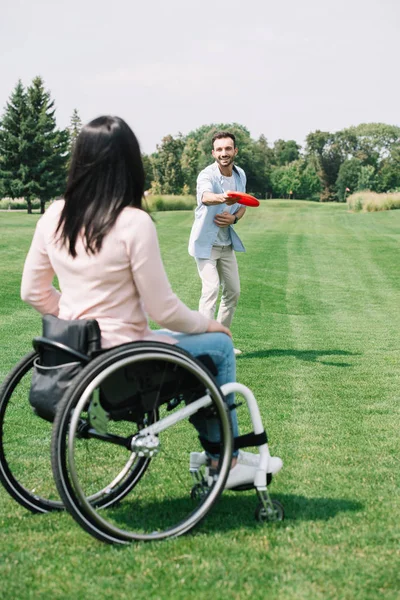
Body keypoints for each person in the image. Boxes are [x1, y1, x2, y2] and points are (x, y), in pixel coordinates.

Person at [21, 116, 281, 487]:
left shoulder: (53, 216)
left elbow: (33, 292)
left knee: (202, 346)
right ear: (130, 162)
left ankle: (219, 453)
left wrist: (77, 319)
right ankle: (225, 458)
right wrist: (209, 324)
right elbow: (163, 310)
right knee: (220, 346)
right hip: (129, 358)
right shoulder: (132, 222)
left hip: (76, 353)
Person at [188, 132, 246, 355]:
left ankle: (221, 342)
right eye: (219, 150)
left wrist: (235, 217)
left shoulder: (240, 175)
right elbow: (205, 196)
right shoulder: (206, 174)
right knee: (211, 289)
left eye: (228, 149)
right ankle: (202, 345)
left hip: (226, 245)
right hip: (206, 245)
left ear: (235, 151)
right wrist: (224, 198)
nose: (224, 153)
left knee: (233, 291)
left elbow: (243, 205)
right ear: (213, 153)